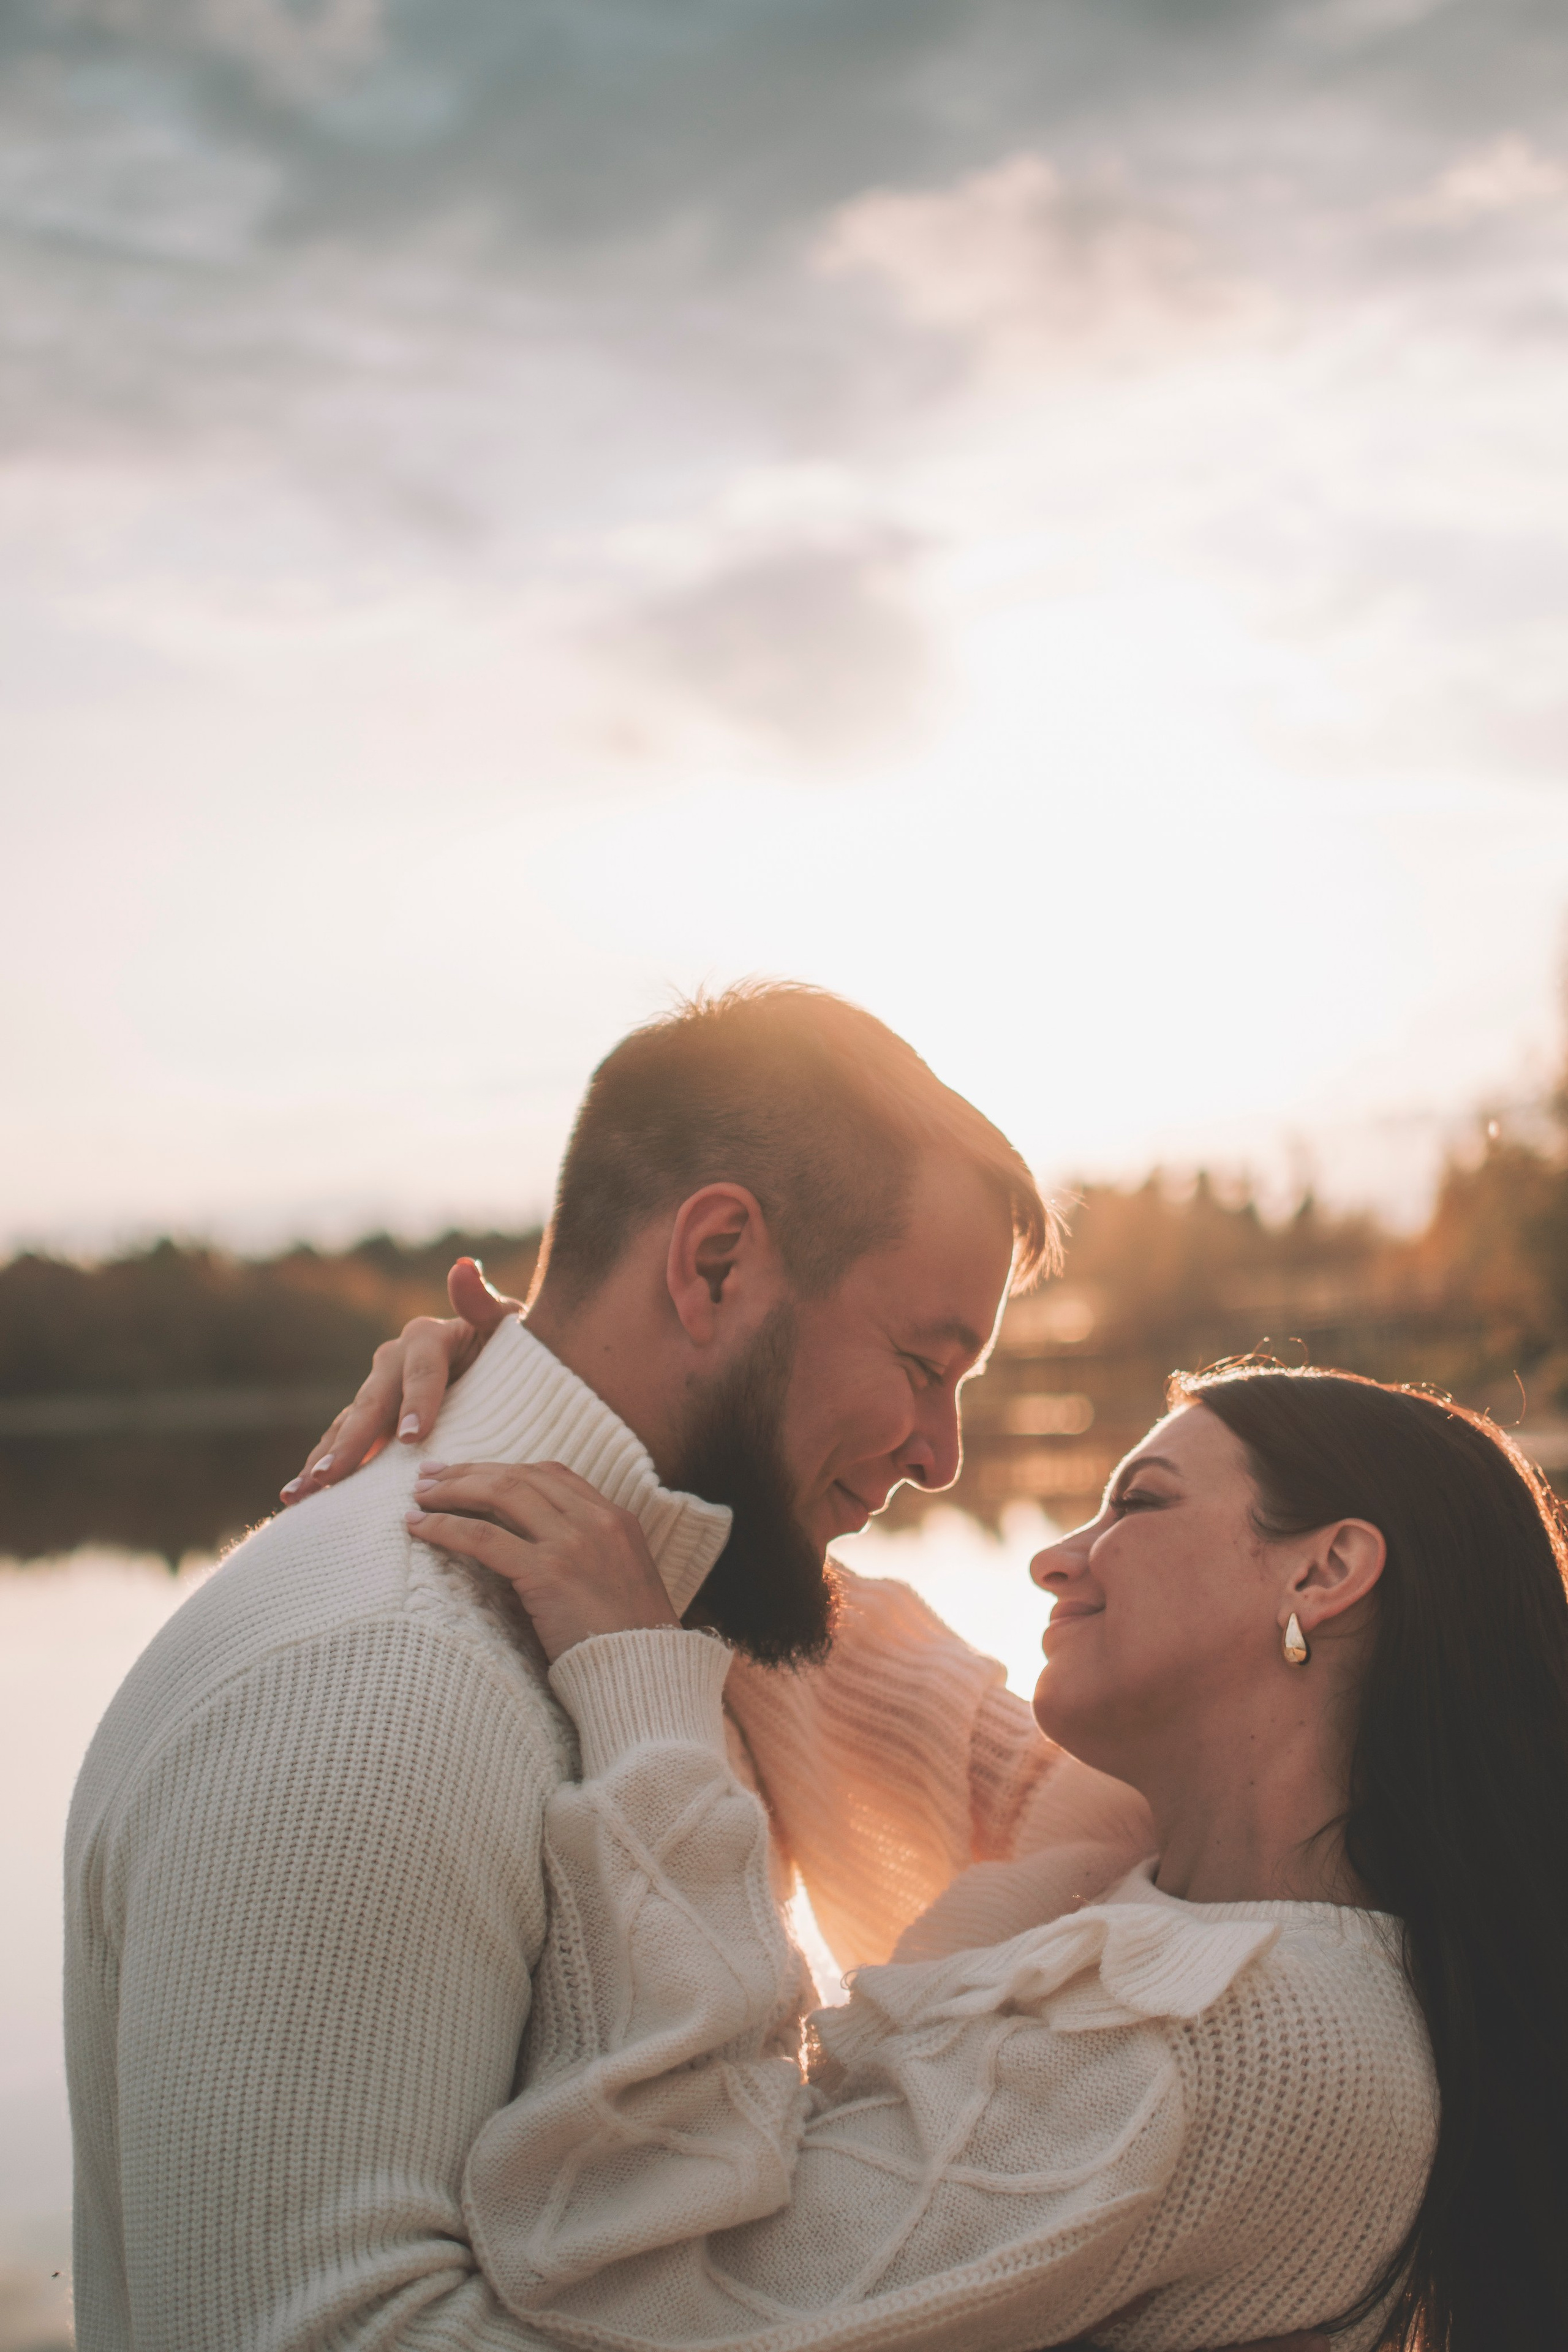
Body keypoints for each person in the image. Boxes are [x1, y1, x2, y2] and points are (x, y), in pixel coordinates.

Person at [65, 983, 1160, 2352]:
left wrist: (539, 1389)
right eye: (920, 1362)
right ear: (712, 1265)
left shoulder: (686, 1614)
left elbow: (1152, 1788)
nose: (941, 1454)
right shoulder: (376, 1686)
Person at [396, 1365, 1568, 2351]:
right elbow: (882, 1678)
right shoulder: (1165, 1879)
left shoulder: (1250, 2038)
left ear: (1323, 1573)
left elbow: (642, 2276)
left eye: (1137, 1506)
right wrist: (555, 1390)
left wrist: (641, 1684)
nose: (1057, 1558)